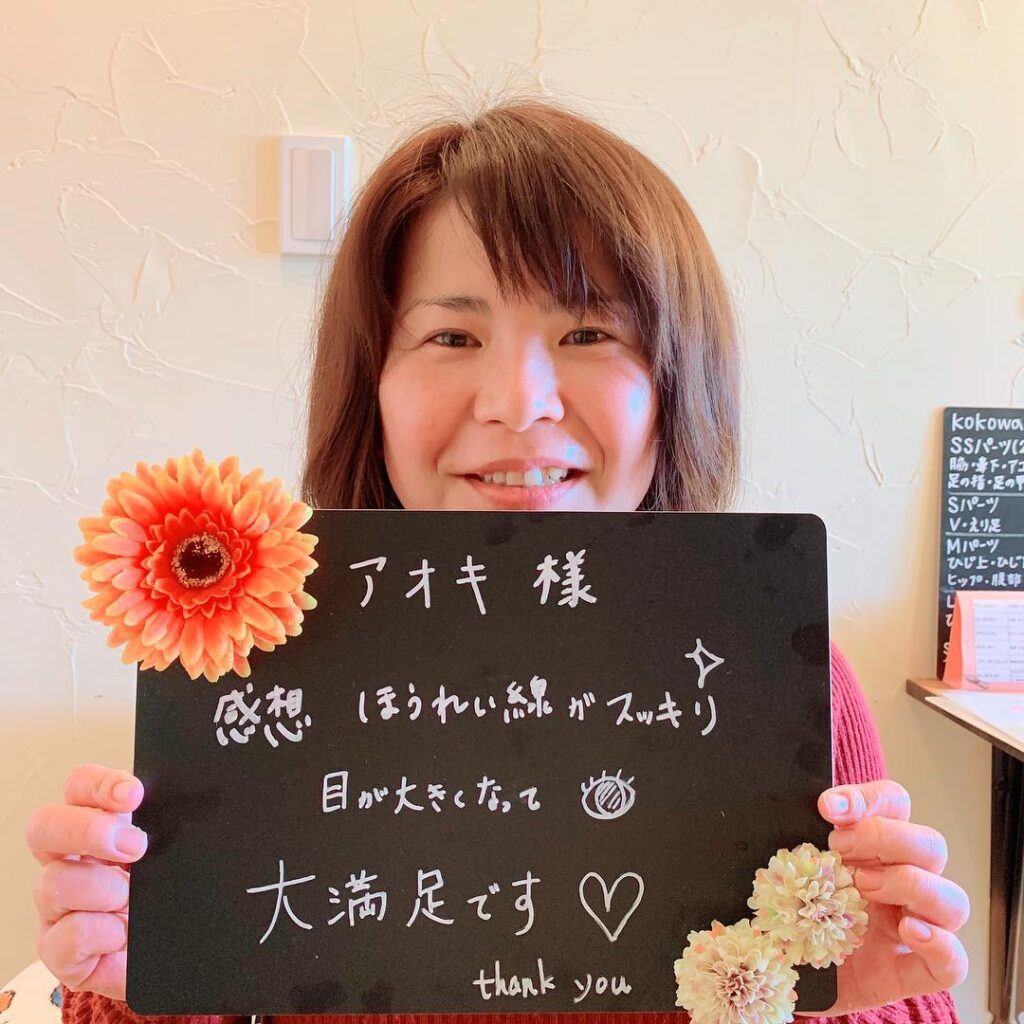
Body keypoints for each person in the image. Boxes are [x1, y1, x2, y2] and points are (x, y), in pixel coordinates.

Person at [26, 96, 969, 1024]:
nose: (518, 402)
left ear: (676, 385)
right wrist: (143, 984)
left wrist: (846, 1001)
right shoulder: (254, 657)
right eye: (452, 336)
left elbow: (851, 978)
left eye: (588, 333)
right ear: (371, 387)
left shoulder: (784, 679)